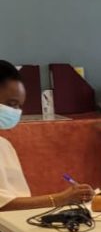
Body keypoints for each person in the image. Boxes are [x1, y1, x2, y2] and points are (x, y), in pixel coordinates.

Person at [0, 60, 94, 210]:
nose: (16, 112)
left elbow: (18, 198)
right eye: (11, 104)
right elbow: (4, 205)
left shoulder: (4, 145)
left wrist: (70, 197)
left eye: (19, 106)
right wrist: (62, 198)